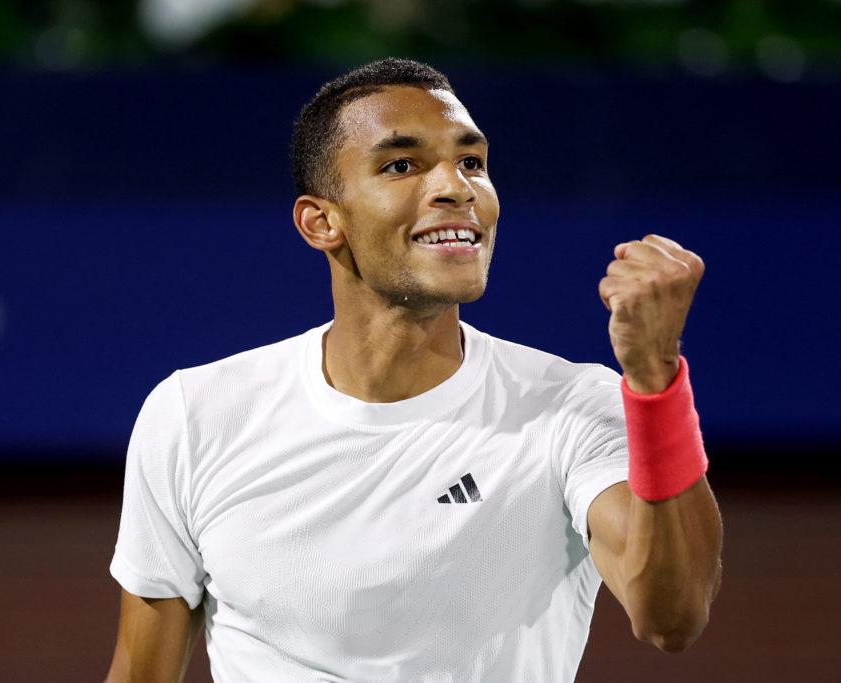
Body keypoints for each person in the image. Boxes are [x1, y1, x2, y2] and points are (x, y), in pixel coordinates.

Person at [105, 57, 723, 682]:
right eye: (402, 165)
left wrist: (654, 380)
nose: (456, 187)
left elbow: (671, 614)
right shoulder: (195, 413)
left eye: (472, 162)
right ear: (322, 222)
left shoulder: (571, 407)